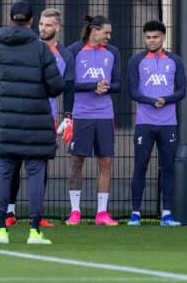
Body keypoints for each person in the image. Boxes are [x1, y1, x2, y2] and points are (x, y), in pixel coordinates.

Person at [0, 0, 64, 244]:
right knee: (35, 174)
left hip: (2, 124)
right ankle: (34, 230)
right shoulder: (41, 49)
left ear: (11, 20)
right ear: (32, 22)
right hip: (35, 124)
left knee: (2, 173)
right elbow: (55, 87)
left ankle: (2, 229)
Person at [4, 8, 74, 229]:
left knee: (40, 167)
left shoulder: (66, 55)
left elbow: (69, 87)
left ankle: (37, 214)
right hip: (20, 114)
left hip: (47, 118)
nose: (43, 28)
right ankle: (9, 211)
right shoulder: (29, 47)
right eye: (41, 24)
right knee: (14, 163)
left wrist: (69, 116)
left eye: (48, 25)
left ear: (58, 27)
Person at [127, 20, 185, 227]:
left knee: (168, 167)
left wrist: (166, 100)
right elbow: (133, 91)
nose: (151, 41)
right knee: (140, 166)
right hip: (144, 122)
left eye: (155, 37)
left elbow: (182, 90)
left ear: (163, 38)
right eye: (148, 37)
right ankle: (135, 214)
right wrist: (152, 101)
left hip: (168, 123)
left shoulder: (175, 60)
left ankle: (167, 214)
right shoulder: (136, 60)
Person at [64, 15, 121, 226]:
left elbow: (118, 84)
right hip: (81, 115)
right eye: (106, 32)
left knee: (106, 162)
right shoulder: (73, 51)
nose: (109, 36)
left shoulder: (113, 52)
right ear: (93, 31)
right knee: (77, 162)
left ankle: (102, 213)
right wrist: (92, 86)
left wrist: (106, 87)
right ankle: (75, 212)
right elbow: (67, 84)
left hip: (105, 115)